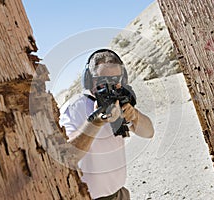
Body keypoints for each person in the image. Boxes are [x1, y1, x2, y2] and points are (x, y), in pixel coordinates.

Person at [59, 49, 154, 200]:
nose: (110, 85)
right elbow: (69, 156)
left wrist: (134, 115)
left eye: (116, 79)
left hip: (119, 194)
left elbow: (149, 132)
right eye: (102, 80)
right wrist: (95, 122)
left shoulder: (119, 101)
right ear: (90, 80)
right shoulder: (75, 107)